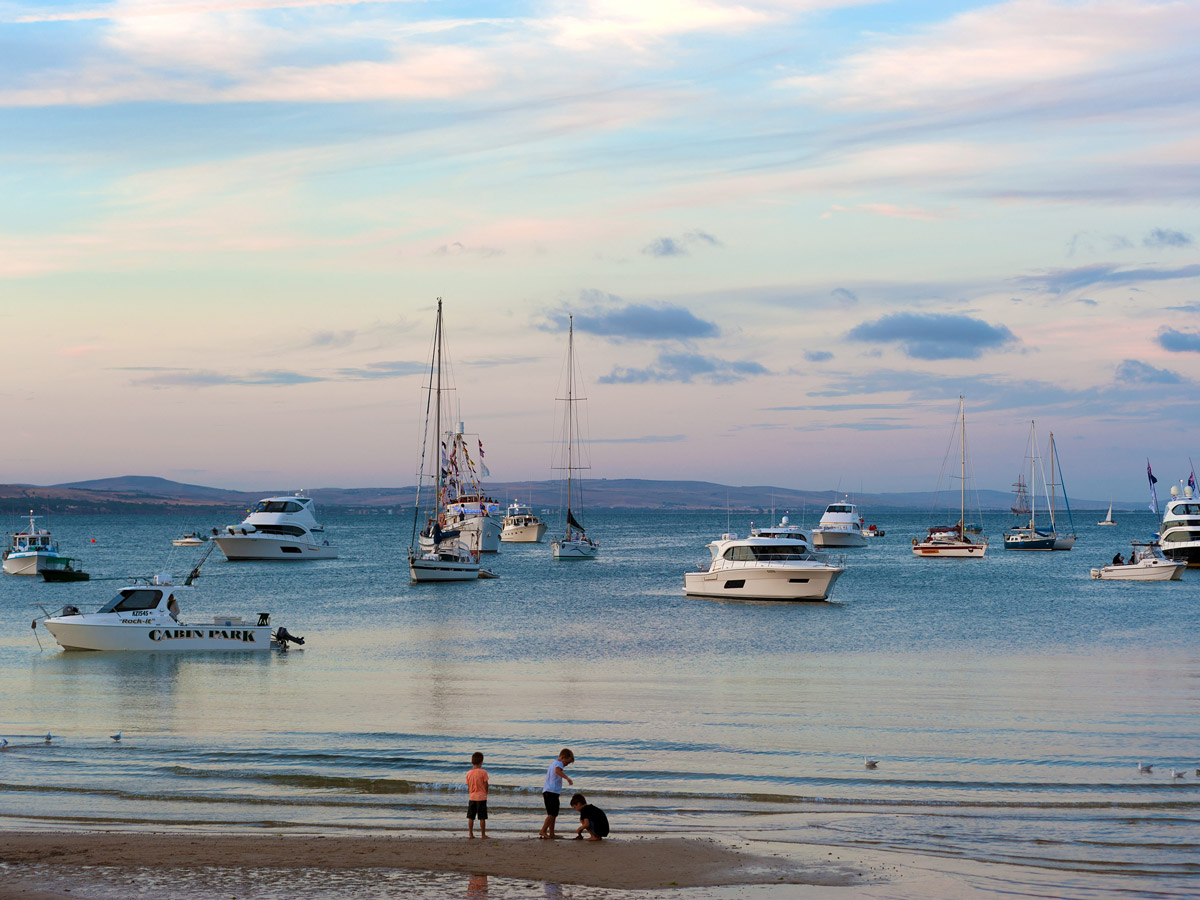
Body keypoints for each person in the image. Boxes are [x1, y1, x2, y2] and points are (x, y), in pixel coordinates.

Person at [538, 748, 574, 838]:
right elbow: (557, 771)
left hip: (548, 791)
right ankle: (542, 830)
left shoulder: (553, 763)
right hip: (551, 792)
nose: (566, 765)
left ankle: (552, 833)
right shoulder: (559, 764)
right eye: (567, 762)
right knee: (552, 813)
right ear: (562, 757)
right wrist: (567, 778)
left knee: (553, 814)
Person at [466, 751, 489, 838]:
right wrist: (486, 792)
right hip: (482, 797)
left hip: (472, 797)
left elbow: (468, 785)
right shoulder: (483, 772)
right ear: (481, 762)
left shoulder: (468, 773)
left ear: (472, 762)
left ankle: (470, 834)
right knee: (482, 817)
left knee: (471, 817)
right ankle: (483, 834)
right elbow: (486, 784)